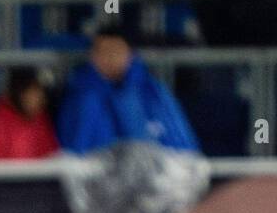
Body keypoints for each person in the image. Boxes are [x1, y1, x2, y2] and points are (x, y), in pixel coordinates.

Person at [56, 23, 199, 154]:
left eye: (116, 51)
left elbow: (182, 146)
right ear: (93, 56)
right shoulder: (79, 95)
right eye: (102, 51)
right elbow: (75, 148)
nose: (110, 57)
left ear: (130, 54)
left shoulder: (153, 92)